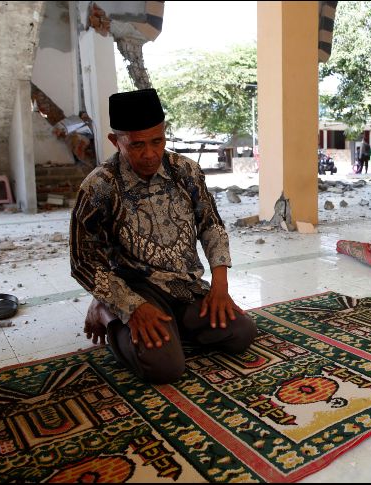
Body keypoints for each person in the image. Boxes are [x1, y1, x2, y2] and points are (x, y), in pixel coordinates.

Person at [70, 88, 257, 384]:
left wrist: (220, 285)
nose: (150, 154)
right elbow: (83, 260)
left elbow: (211, 225)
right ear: (115, 141)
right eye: (137, 145)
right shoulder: (99, 187)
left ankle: (170, 327)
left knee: (241, 333)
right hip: (135, 289)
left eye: (157, 141)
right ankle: (106, 312)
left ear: (165, 134)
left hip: (184, 286)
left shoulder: (186, 172)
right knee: (164, 368)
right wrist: (130, 308)